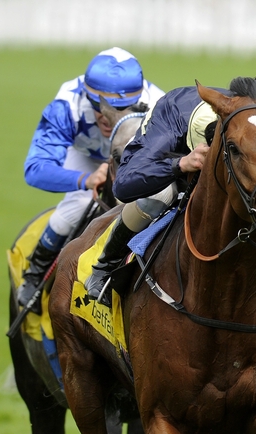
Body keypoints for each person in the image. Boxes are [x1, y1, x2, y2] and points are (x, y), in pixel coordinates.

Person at [17, 47, 165, 312]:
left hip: (133, 158)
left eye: (124, 108)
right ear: (88, 97)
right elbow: (35, 168)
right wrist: (85, 179)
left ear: (139, 99)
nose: (109, 116)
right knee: (72, 211)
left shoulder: (159, 104)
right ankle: (34, 274)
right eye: (100, 106)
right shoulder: (66, 106)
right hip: (85, 155)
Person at [82, 77, 231, 305]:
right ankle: (104, 268)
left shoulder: (248, 120)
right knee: (159, 196)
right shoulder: (168, 124)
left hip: (230, 144)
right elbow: (123, 187)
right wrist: (180, 165)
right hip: (172, 149)